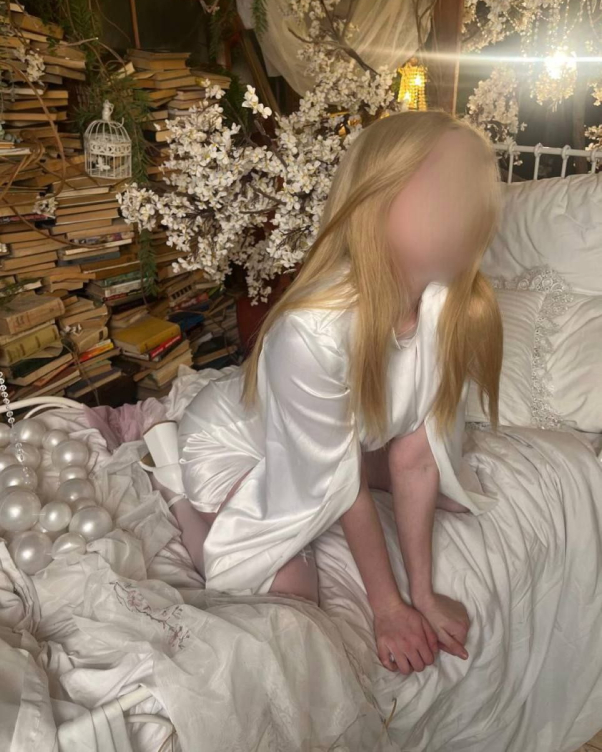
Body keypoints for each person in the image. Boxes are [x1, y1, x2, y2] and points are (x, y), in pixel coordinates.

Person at [143, 109, 503, 676]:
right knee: (292, 594)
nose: (465, 206)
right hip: (236, 443)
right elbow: (342, 483)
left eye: (473, 187)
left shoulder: (445, 307)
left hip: (325, 440)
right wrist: (387, 608)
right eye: (439, 186)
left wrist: (423, 594)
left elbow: (415, 457)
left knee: (442, 486)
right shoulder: (314, 330)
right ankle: (177, 490)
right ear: (374, 198)